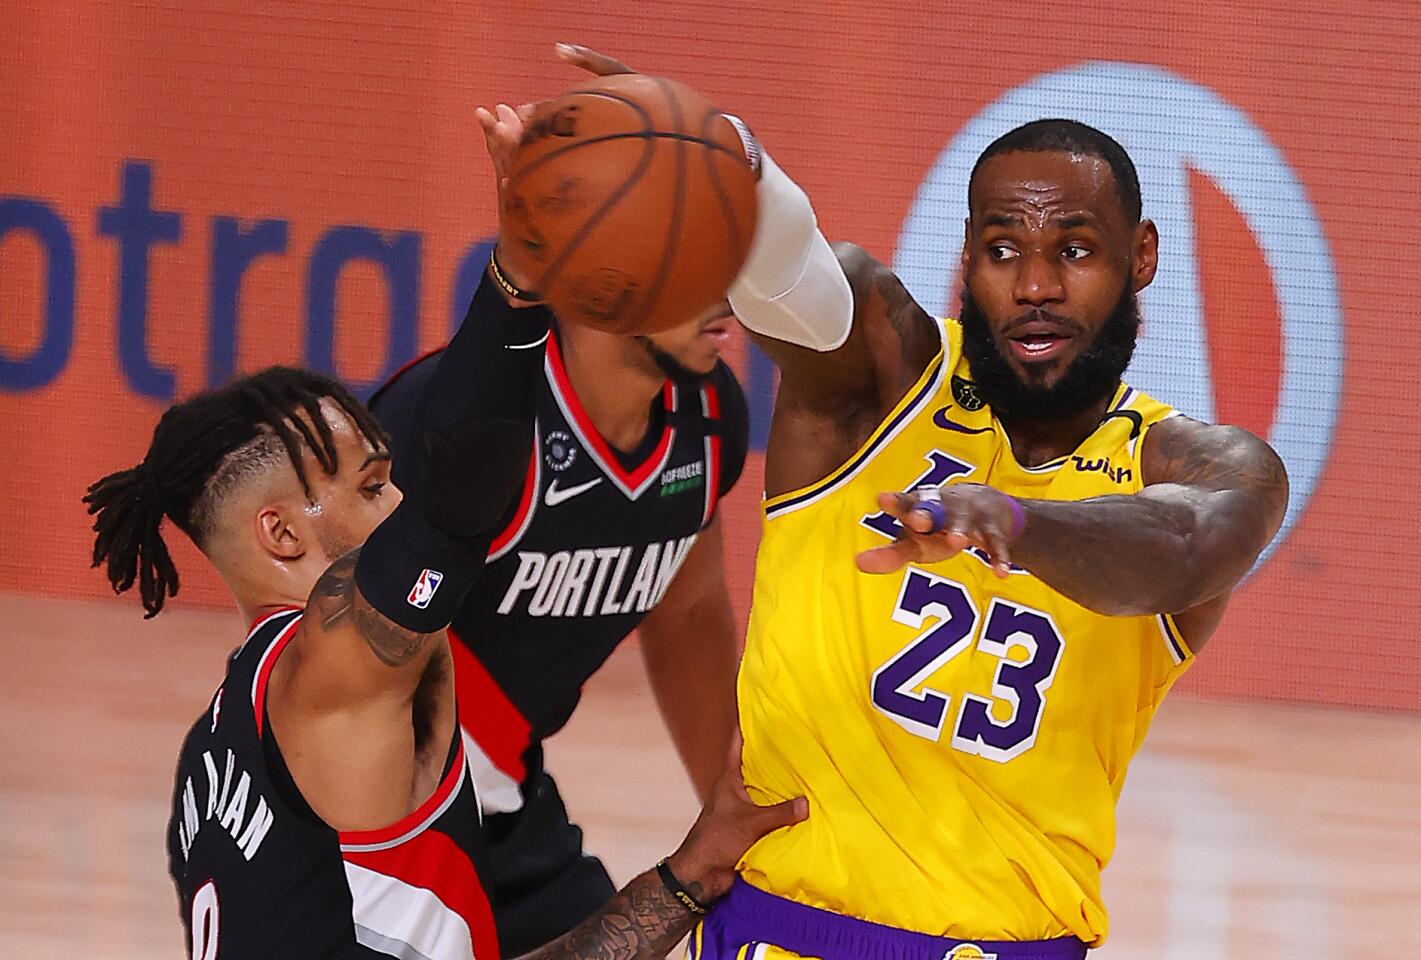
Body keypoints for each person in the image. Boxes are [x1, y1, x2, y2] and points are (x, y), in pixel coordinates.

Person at [552, 46, 1289, 960]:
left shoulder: (1199, 464)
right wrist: (725, 165)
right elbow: (799, 283)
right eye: (1002, 250)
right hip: (773, 934)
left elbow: (1187, 548)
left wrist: (1013, 519)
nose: (1034, 287)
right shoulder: (877, 381)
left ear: (1139, 257)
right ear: (967, 257)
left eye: (1075, 249)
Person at [84, 152, 803, 959]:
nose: (397, 502)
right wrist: (521, 272)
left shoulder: (208, 759)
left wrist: (712, 839)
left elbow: (690, 610)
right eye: (374, 486)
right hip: (429, 785)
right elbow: (451, 513)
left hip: (485, 796)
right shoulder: (353, 650)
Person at [367, 101, 750, 956]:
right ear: (598, 269)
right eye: (689, 257)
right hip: (375, 820)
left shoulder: (709, 413)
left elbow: (687, 616)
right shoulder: (465, 420)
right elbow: (313, 623)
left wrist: (729, 815)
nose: (724, 287)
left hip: (503, 802)